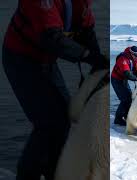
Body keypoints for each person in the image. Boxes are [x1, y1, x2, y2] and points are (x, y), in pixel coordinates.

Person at [2, 1, 108, 180]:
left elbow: (86, 32)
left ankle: (55, 171)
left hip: (46, 61)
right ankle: (28, 175)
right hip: (21, 60)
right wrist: (87, 56)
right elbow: (50, 37)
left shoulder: (79, 4)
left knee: (63, 118)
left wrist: (98, 65)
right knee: (48, 123)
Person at [111, 46, 137, 126]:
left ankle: (126, 116)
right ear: (130, 53)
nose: (136, 56)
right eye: (135, 54)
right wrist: (136, 79)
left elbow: (136, 70)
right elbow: (127, 73)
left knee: (129, 97)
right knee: (125, 100)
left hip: (123, 80)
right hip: (117, 80)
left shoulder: (134, 58)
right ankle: (118, 119)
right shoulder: (123, 59)